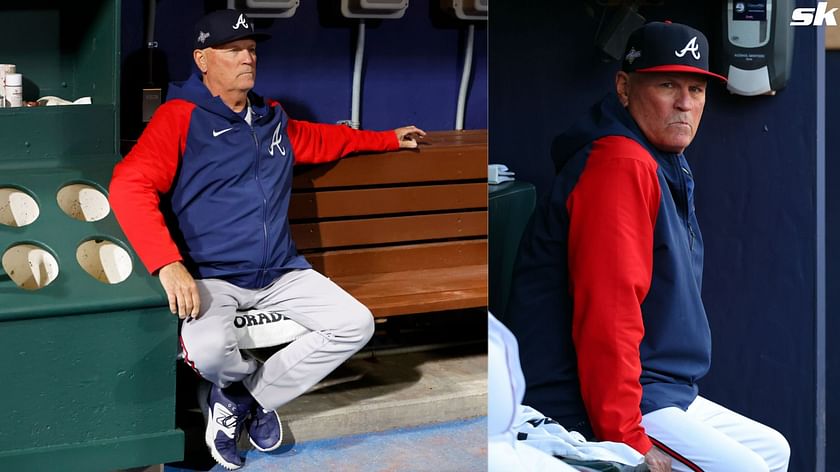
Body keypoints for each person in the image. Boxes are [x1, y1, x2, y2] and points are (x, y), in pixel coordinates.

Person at [109, 9, 425, 470]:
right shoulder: (178, 118)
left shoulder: (271, 118)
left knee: (355, 324)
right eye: (233, 50)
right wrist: (167, 263)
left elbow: (323, 140)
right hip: (214, 276)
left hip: (281, 271)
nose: (246, 58)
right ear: (202, 59)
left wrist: (386, 140)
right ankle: (237, 386)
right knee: (208, 351)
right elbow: (128, 184)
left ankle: (243, 399)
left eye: (251, 50)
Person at [504, 21, 790, 472]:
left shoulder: (661, 160)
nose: (685, 103)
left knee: (774, 451)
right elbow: (608, 313)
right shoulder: (620, 163)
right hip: (584, 399)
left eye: (697, 89)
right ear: (624, 87)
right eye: (667, 84)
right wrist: (625, 439)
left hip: (657, 386)